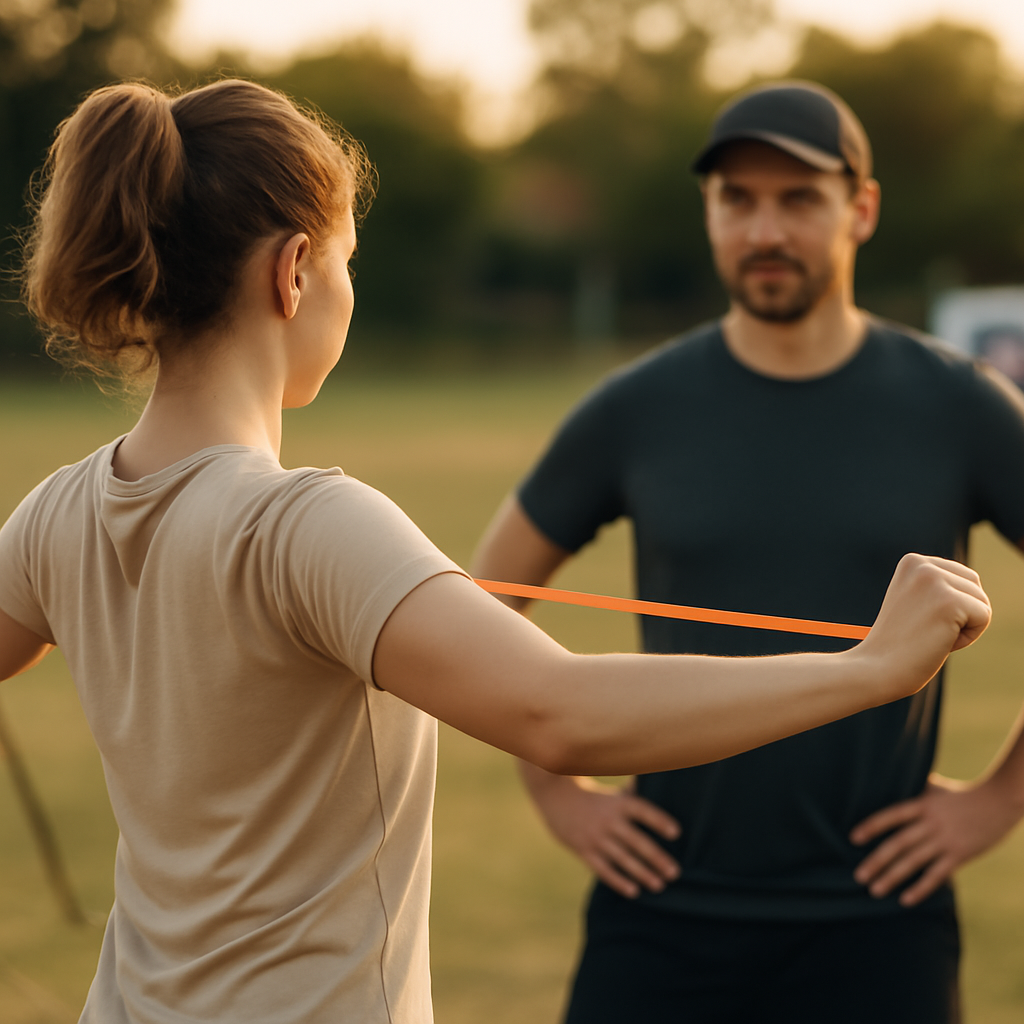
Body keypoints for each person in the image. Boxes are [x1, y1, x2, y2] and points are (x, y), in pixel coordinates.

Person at [0, 79, 989, 1024]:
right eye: (348, 260)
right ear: (293, 271)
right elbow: (559, 713)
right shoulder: (304, 523)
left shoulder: (56, 511)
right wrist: (870, 667)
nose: (346, 286)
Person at [472, 80, 1024, 1024]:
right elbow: (483, 604)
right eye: (738, 199)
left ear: (862, 209)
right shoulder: (637, 407)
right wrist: (560, 794)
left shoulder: (959, 405)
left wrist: (996, 802)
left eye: (798, 198)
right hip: (661, 918)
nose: (764, 229)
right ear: (710, 213)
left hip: (879, 923)